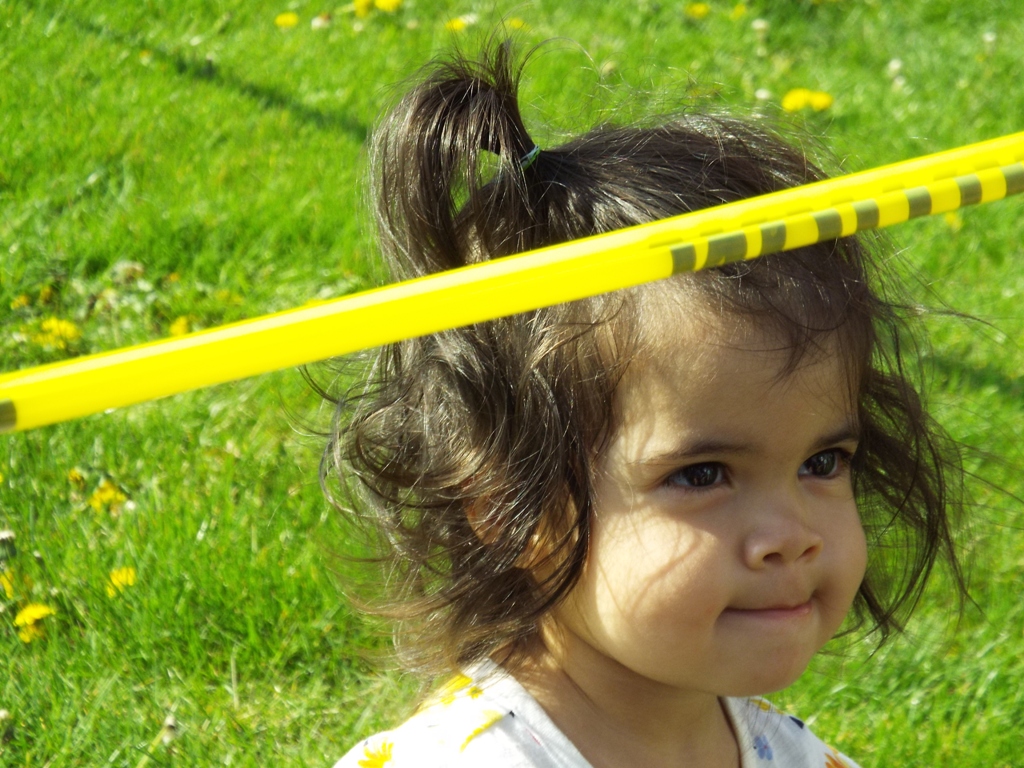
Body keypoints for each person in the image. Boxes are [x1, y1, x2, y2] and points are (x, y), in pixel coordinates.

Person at [323, 39, 964, 768]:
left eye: (823, 462)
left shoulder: (785, 753)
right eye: (702, 474)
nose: (793, 536)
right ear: (511, 510)